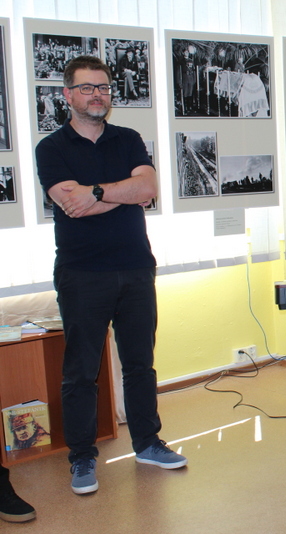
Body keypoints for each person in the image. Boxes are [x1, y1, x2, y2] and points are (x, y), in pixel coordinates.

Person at [35, 55, 187, 496]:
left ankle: (148, 443)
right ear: (68, 95)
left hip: (136, 267)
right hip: (82, 274)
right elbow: (72, 204)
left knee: (140, 364)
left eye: (103, 87)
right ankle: (82, 456)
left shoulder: (128, 139)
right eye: (87, 88)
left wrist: (97, 191)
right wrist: (123, 193)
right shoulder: (52, 148)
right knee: (81, 371)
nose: (97, 95)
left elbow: (148, 188)